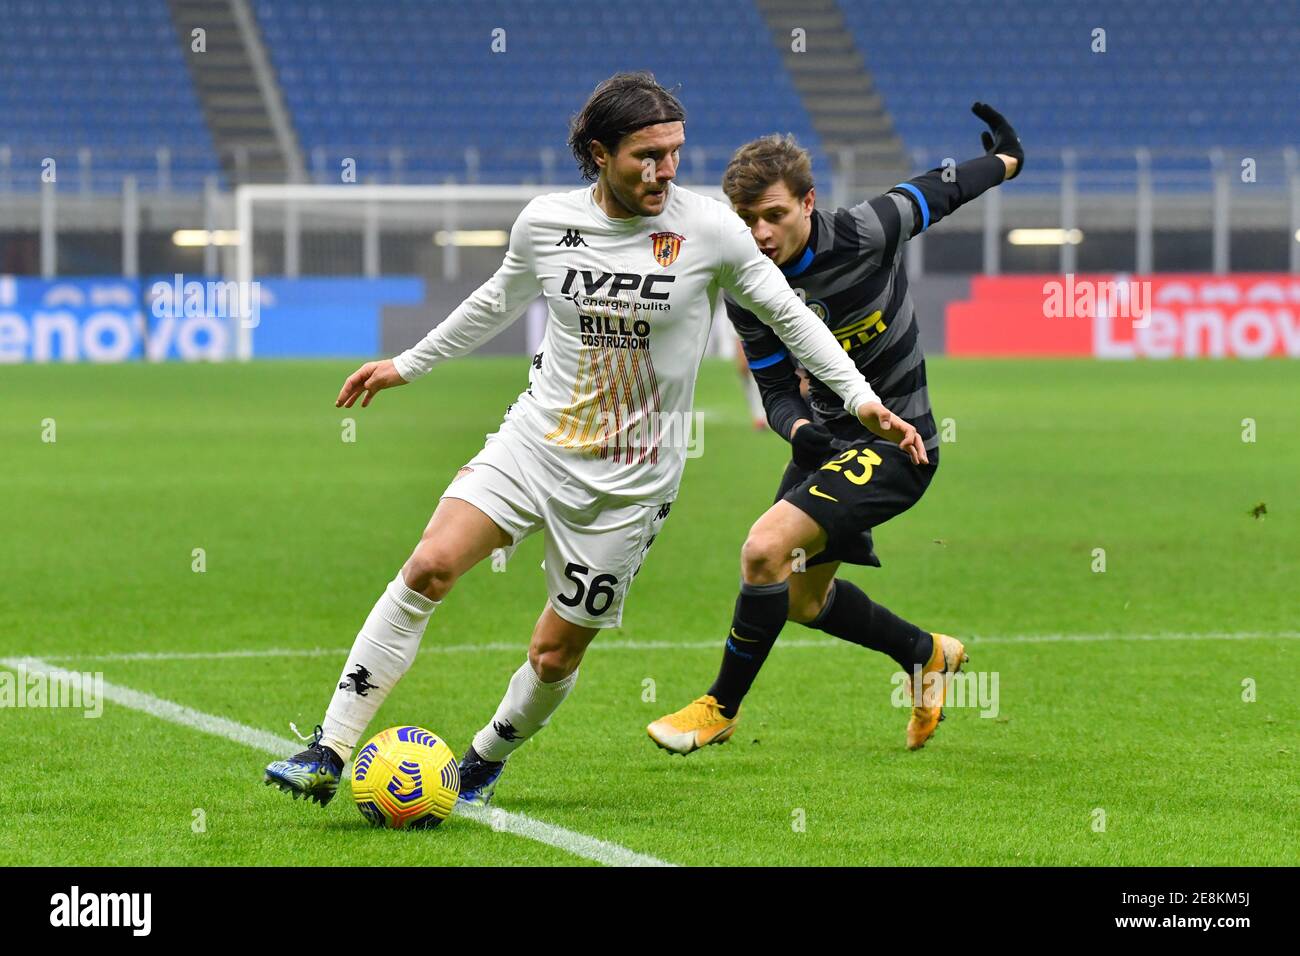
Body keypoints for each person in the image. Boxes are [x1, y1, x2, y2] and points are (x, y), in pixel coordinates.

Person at [262, 71, 925, 808]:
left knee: (553, 652)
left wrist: (861, 400)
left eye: (674, 152)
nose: (665, 169)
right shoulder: (546, 223)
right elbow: (496, 299)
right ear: (600, 153)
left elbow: (790, 317)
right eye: (646, 154)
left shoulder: (707, 231)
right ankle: (328, 745)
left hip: (630, 486)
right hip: (535, 443)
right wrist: (407, 365)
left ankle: (484, 758)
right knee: (428, 566)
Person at [647, 103, 1023, 753]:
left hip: (899, 446)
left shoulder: (865, 230)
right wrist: (798, 432)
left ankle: (720, 708)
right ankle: (926, 655)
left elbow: (942, 190)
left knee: (763, 551)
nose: (760, 234)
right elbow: (771, 384)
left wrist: (1007, 161)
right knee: (799, 598)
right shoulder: (746, 283)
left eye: (774, 216)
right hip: (827, 447)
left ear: (808, 204)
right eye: (746, 220)